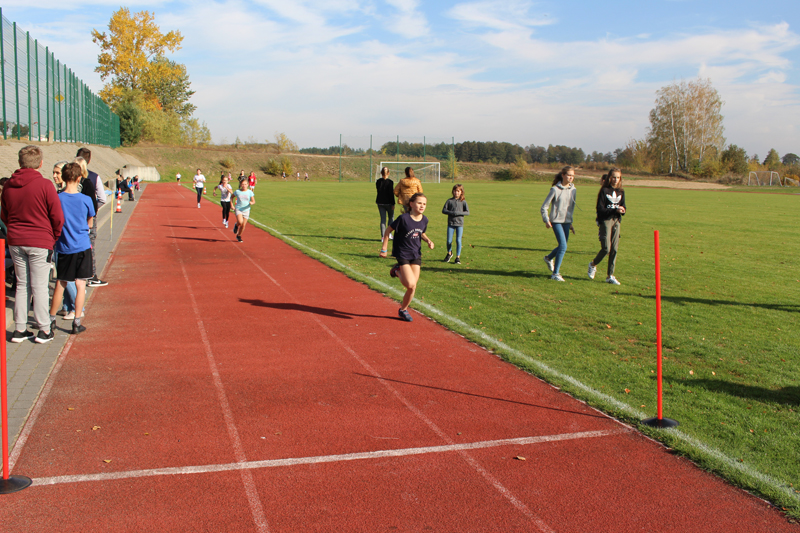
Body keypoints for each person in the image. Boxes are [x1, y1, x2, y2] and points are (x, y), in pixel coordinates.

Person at [2, 145, 64, 344]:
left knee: (22, 284)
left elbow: (4, 214)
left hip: (16, 240)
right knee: (39, 286)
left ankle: (20, 329)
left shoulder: (8, 186)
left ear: (19, 162)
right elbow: (57, 216)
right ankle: (44, 329)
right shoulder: (45, 185)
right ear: (40, 163)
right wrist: (53, 237)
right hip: (40, 240)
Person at [48, 162, 95, 335]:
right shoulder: (86, 199)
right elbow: (90, 223)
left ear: (64, 177)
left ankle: (51, 320)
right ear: (79, 178)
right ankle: (77, 321)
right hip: (82, 246)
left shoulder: (57, 199)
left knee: (61, 283)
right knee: (80, 284)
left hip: (64, 247)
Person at [379, 192, 434, 322]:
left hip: (416, 254)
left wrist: (428, 240)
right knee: (410, 283)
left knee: (412, 287)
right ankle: (397, 270)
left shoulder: (424, 220)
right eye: (419, 203)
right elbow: (388, 231)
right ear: (411, 204)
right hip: (402, 253)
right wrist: (384, 249)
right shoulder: (403, 218)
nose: (422, 206)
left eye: (424, 204)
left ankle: (403, 310)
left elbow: (421, 232)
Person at [75, 149, 107, 287]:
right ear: (89, 161)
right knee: (90, 245)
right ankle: (91, 275)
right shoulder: (93, 178)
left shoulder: (68, 176)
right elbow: (102, 199)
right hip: (88, 218)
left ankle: (75, 274)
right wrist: (93, 210)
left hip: (72, 219)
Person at [588, 168, 626, 285]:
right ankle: (593, 264)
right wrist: (615, 209)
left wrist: (623, 210)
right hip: (606, 220)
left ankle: (610, 276)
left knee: (614, 249)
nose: (616, 180)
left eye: (618, 177)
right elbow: (600, 209)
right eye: (614, 177)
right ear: (609, 178)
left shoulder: (621, 191)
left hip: (616, 221)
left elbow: (623, 206)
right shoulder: (604, 191)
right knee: (606, 248)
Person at [541, 165, 577, 282]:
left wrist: (570, 222)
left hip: (566, 222)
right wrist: (546, 220)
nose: (571, 177)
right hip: (556, 221)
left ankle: (548, 258)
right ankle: (555, 274)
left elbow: (571, 208)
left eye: (572, 176)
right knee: (563, 246)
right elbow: (544, 207)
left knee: (562, 246)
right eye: (569, 175)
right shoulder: (555, 189)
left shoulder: (573, 190)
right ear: (563, 175)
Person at [442, 184, 470, 264]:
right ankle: (449, 253)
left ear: (461, 192)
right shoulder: (449, 201)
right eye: (455, 191)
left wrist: (458, 213)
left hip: (459, 224)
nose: (456, 192)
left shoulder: (463, 202)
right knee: (449, 241)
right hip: (451, 223)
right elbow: (444, 210)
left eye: (458, 191)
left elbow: (467, 212)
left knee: (458, 240)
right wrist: (452, 212)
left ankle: (458, 257)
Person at [375, 167, 395, 241]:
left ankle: (383, 236)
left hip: (380, 202)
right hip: (388, 203)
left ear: (381, 173)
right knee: (391, 217)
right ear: (388, 173)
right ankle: (389, 233)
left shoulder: (378, 181)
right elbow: (391, 194)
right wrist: (393, 203)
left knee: (383, 219)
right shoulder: (390, 182)